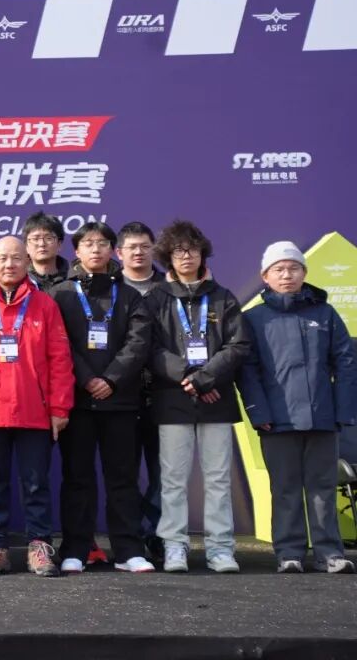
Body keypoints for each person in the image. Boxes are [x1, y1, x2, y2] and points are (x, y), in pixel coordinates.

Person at [0, 237, 74, 577]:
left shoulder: (44, 305)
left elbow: (60, 360)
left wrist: (60, 407)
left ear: (27, 262)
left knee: (36, 484)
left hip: (34, 410)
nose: (10, 264)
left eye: (16, 258)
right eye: (3, 259)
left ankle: (39, 545)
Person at [239, 241, 357, 574]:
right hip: (277, 422)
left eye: (293, 268)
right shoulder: (253, 319)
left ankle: (329, 553)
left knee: (322, 489)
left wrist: (343, 412)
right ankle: (288, 553)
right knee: (285, 489)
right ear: (265, 276)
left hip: (323, 418)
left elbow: (346, 363)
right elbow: (247, 371)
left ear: (304, 273)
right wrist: (259, 414)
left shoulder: (325, 313)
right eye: (278, 269)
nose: (286, 275)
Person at [146, 221, 249, 573]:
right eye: (178, 251)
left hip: (215, 398)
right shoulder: (156, 298)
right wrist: (188, 377)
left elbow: (238, 345)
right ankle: (174, 546)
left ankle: (220, 549)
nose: (186, 256)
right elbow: (149, 348)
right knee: (173, 479)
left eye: (192, 249)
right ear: (168, 257)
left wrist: (206, 379)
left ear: (203, 254)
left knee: (218, 477)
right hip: (173, 400)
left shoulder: (223, 296)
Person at [51, 221, 154, 574]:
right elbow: (59, 343)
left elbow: (138, 343)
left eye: (102, 243)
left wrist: (111, 378)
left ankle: (128, 550)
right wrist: (87, 378)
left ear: (113, 250)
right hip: (78, 403)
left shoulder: (129, 295)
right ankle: (75, 549)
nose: (96, 249)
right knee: (77, 478)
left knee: (123, 479)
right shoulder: (60, 294)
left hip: (121, 402)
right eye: (88, 243)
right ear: (76, 251)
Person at [115, 221, 166, 561]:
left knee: (164, 474)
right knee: (124, 474)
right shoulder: (109, 289)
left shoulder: (170, 288)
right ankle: (131, 537)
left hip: (164, 394)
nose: (138, 252)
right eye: (131, 247)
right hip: (121, 395)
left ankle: (159, 535)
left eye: (145, 246)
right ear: (119, 253)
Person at [24, 212, 69, 293]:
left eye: (48, 238)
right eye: (35, 239)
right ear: (26, 246)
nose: (42, 244)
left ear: (59, 244)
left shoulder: (73, 279)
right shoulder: (19, 280)